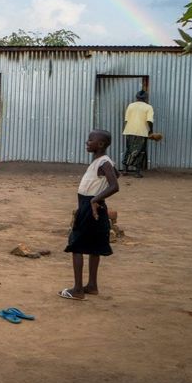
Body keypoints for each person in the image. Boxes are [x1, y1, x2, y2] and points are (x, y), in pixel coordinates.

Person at [59, 129, 119, 301]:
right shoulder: (102, 162)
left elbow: (115, 186)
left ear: (100, 144)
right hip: (93, 206)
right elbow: (117, 176)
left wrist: (95, 200)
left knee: (76, 245)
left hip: (90, 206)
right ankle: (92, 285)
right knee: (94, 247)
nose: (87, 142)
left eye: (90, 140)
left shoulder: (104, 162)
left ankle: (78, 289)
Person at [121, 90, 154, 178]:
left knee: (129, 149)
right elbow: (149, 121)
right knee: (140, 151)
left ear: (136, 97)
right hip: (142, 132)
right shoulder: (148, 107)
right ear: (146, 98)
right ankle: (137, 172)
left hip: (129, 130)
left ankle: (125, 170)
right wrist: (151, 131)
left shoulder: (130, 106)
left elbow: (126, 119)